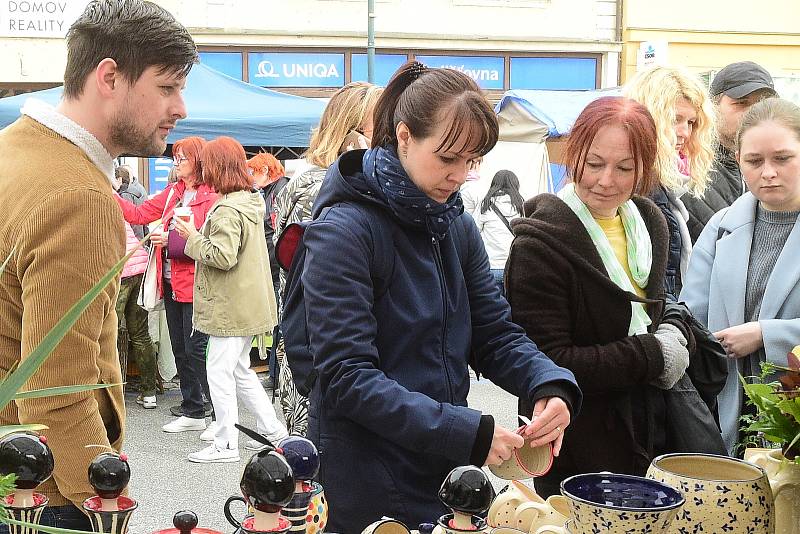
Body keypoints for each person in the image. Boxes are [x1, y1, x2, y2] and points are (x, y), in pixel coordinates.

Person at [301, 61, 580, 533]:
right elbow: (347, 377)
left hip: (442, 466)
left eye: (472, 161)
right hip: (363, 469)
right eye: (448, 158)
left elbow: (494, 333)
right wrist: (468, 432)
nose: (460, 175)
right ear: (404, 136)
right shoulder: (344, 231)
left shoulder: (455, 225)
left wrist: (548, 384)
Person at [0, 0, 195, 528]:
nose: (181, 107)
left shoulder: (13, 149)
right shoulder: (77, 193)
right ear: (109, 76)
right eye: (166, 86)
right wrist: (103, 500)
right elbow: (56, 388)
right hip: (43, 492)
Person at [506, 96, 692, 497]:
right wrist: (652, 355)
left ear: (644, 167)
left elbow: (659, 304)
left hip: (653, 433)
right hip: (579, 445)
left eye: (625, 168)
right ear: (573, 158)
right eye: (594, 164)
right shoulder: (539, 244)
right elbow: (546, 362)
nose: (607, 180)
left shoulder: (649, 222)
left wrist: (674, 328)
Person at [681, 98, 800, 454]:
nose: (768, 172)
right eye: (754, 161)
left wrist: (767, 335)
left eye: (782, 158)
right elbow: (691, 314)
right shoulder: (720, 228)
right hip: (727, 422)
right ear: (738, 160)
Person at [273, 81, 382, 437]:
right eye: (378, 128)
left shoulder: (313, 184)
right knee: (321, 471)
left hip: (318, 360)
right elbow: (314, 293)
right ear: (351, 133)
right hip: (321, 364)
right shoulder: (322, 190)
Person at [174, 137, 288, 463]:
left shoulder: (226, 208)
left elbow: (221, 256)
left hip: (231, 307)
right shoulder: (250, 201)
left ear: (216, 166)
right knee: (239, 370)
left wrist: (191, 236)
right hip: (250, 303)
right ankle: (273, 431)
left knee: (219, 371)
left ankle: (226, 444)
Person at [115, 136, 218, 434]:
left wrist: (168, 239)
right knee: (181, 348)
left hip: (199, 283)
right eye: (175, 159)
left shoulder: (211, 196)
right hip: (172, 281)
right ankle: (193, 407)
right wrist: (108, 192)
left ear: (198, 160)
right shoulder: (174, 192)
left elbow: (207, 241)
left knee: (198, 351)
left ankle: (214, 413)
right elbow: (138, 214)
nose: (176, 164)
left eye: (182, 158)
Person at [624, 66, 717, 300]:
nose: (684, 132)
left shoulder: (666, 184)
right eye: (675, 119)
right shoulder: (637, 186)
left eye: (691, 122)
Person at [682, 61, 777, 242]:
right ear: (713, 107)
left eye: (762, 103)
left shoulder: (784, 167)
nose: (753, 113)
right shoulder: (689, 165)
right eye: (741, 103)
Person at [115, 202, 160, 409]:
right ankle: (149, 392)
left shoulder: (96, 203)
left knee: (108, 335)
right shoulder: (117, 204)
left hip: (120, 273)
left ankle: (109, 394)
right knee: (141, 334)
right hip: (140, 268)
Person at [247, 152, 288, 304]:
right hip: (273, 261)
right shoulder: (270, 191)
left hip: (276, 264)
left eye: (253, 172)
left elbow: (276, 229)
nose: (250, 177)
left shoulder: (279, 190)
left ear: (264, 170)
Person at [475, 169, 524, 294]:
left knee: (491, 310)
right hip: (513, 268)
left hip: (490, 267)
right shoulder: (521, 206)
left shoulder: (486, 204)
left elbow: (474, 232)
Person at [116, 165, 148, 239]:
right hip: (139, 235)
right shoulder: (137, 189)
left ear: (119, 179)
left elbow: (131, 219)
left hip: (134, 238)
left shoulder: (125, 194)